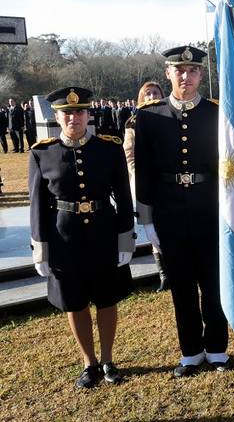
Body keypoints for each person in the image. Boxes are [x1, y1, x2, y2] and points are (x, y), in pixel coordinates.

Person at [29, 86, 135, 389]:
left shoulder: (108, 148)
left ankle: (108, 360)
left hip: (103, 232)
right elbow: (38, 204)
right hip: (65, 238)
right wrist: (41, 247)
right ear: (58, 117)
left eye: (79, 112)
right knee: (75, 302)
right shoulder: (42, 152)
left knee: (106, 299)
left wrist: (125, 237)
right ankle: (89, 362)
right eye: (66, 113)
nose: (73, 117)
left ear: (89, 114)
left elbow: (123, 197)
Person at [135, 45, 230, 376]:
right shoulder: (149, 116)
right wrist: (146, 219)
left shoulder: (217, 113)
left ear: (201, 75)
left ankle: (217, 347)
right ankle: (190, 350)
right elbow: (143, 170)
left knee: (213, 283)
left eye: (192, 71)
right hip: (169, 209)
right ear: (168, 73)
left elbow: (229, 167)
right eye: (179, 71)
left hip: (209, 207)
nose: (185, 77)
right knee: (182, 285)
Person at [123, 81, 169, 292]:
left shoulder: (172, 116)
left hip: (170, 182)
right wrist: (140, 177)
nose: (151, 96)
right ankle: (163, 274)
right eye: (147, 93)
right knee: (154, 228)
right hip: (148, 184)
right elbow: (129, 154)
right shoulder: (133, 123)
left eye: (155, 93)